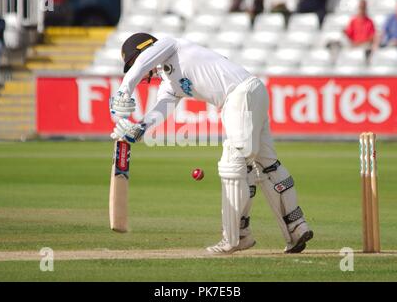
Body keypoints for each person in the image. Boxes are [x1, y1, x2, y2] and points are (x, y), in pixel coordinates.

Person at [110, 33, 314, 254]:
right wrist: (140, 128)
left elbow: (143, 61)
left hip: (240, 94)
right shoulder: (169, 82)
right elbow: (163, 106)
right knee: (267, 164)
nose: (138, 73)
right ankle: (296, 227)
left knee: (233, 164)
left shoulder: (170, 44)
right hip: (250, 92)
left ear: (145, 49)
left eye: (132, 63)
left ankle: (235, 238)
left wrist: (124, 89)